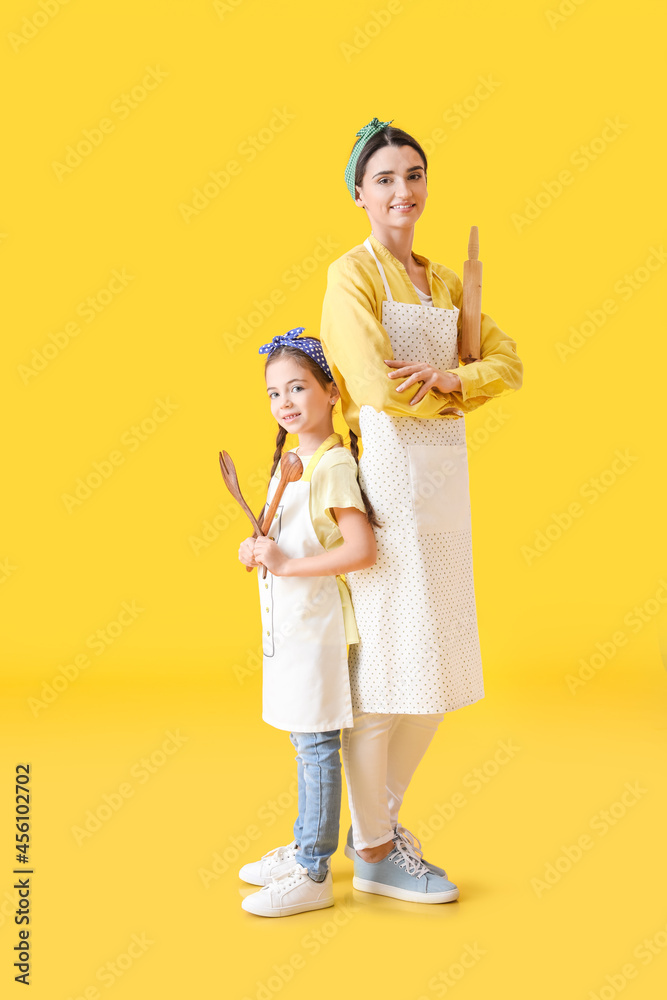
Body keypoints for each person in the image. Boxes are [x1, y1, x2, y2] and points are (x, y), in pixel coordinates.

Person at [318, 118, 524, 904]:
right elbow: (372, 386)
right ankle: (372, 845)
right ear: (359, 194)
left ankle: (378, 823)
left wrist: (449, 383)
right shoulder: (351, 276)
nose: (401, 190)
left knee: (436, 667)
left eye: (413, 174)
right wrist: (456, 388)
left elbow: (506, 361)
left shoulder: (442, 282)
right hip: (390, 485)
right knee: (385, 674)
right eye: (384, 180)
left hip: (445, 490)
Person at [237, 327, 378, 917]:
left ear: (329, 390)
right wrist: (256, 549)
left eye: (298, 387)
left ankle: (313, 870)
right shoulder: (292, 462)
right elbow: (282, 537)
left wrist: (289, 565)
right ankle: (303, 844)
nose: (285, 402)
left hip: (319, 630)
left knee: (317, 744)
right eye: (274, 393)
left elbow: (361, 549)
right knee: (304, 741)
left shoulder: (333, 462)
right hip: (290, 629)